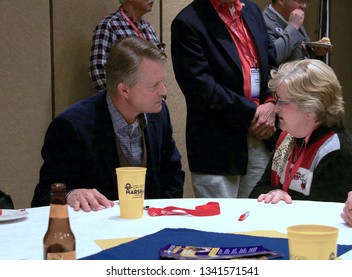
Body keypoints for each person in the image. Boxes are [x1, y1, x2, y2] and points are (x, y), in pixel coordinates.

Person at [32, 36, 185, 211]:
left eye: (163, 83)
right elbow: (42, 197)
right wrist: (69, 195)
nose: (164, 92)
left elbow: (172, 174)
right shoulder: (71, 126)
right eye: (155, 85)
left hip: (150, 227)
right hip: (96, 231)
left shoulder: (158, 114)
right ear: (124, 89)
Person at [171, 0, 278, 198]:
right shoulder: (188, 22)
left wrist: (271, 102)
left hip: (260, 135)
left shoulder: (252, 10)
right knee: (221, 224)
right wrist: (252, 114)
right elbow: (200, 88)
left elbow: (271, 61)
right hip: (218, 144)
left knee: (257, 221)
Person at [249, 59, 352, 203]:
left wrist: (285, 201)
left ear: (311, 109)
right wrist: (272, 193)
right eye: (277, 99)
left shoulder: (338, 153)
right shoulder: (288, 136)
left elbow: (320, 218)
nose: (276, 109)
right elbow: (258, 191)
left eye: (283, 102)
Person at [89, 0, 163, 91]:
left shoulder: (149, 28)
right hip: (124, 101)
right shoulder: (109, 25)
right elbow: (98, 71)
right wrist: (118, 101)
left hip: (152, 99)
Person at [263, 0, 330, 65]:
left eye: (306, 2)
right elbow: (273, 58)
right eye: (299, 1)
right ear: (281, 1)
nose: (304, 6)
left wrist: (314, 51)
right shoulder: (263, 21)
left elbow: (302, 53)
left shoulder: (294, 19)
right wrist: (293, 27)